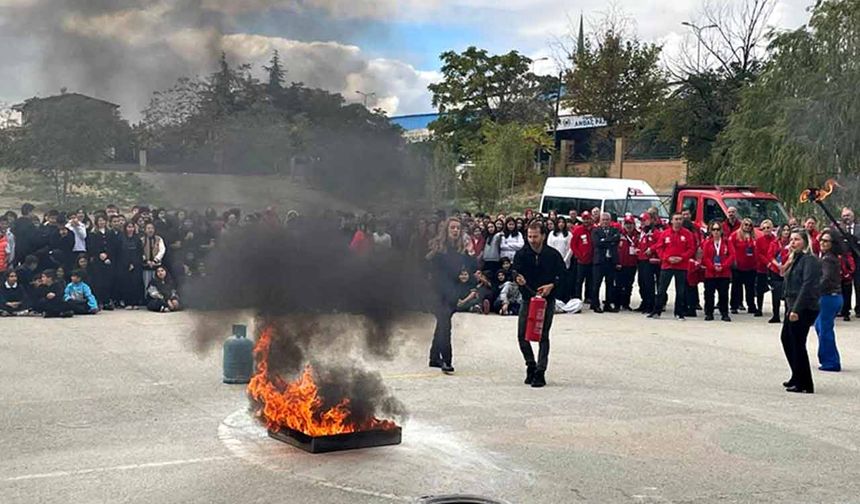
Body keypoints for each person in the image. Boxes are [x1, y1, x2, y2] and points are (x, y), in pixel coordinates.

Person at [513, 221, 565, 388]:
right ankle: (531, 364)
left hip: (546, 300)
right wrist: (517, 278)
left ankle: (541, 371)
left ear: (543, 236)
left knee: (543, 336)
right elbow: (514, 271)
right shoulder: (521, 254)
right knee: (522, 335)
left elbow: (563, 276)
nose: (532, 240)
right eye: (529, 236)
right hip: (528, 298)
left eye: (535, 236)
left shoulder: (553, 255)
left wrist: (552, 286)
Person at [426, 217, 475, 375]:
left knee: (442, 324)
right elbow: (429, 269)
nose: (455, 230)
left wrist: (465, 276)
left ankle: (434, 357)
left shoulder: (460, 250)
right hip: (437, 292)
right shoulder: (438, 250)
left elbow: (467, 269)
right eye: (452, 228)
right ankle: (447, 360)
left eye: (458, 228)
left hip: (452, 292)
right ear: (446, 230)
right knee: (445, 326)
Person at [781, 229, 820, 394]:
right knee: (786, 339)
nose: (793, 242)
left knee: (797, 342)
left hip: (803, 306)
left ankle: (805, 383)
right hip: (791, 304)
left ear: (805, 242)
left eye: (796, 239)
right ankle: (796, 374)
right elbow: (783, 274)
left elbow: (807, 285)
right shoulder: (795, 259)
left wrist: (796, 309)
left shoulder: (809, 260)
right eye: (791, 239)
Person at [650, 213, 695, 320]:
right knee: (661, 289)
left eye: (680, 219)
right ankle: (656, 311)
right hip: (667, 265)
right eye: (676, 219)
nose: (678, 221)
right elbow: (659, 248)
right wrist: (666, 258)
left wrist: (682, 258)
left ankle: (679, 312)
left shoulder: (687, 234)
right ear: (671, 221)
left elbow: (691, 249)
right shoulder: (665, 233)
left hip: (681, 266)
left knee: (680, 291)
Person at [814, 230, 843, 372]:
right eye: (821, 240)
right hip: (832, 297)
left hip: (829, 297)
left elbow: (825, 278)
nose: (822, 243)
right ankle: (828, 358)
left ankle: (831, 362)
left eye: (826, 241)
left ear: (833, 244)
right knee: (820, 326)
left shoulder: (828, 259)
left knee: (824, 329)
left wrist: (814, 291)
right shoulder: (827, 257)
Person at [701, 221, 735, 321]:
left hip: (724, 273)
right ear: (711, 231)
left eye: (718, 229)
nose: (716, 232)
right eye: (714, 229)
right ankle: (709, 313)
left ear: (721, 231)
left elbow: (732, 255)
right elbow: (705, 257)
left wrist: (723, 266)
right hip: (710, 273)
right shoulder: (707, 243)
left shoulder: (727, 242)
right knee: (709, 294)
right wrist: (712, 267)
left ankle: (724, 313)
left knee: (724, 294)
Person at [591, 212, 620, 313]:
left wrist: (605, 240)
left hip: (610, 261)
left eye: (607, 220)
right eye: (603, 220)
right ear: (600, 221)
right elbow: (597, 243)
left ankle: (607, 304)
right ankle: (595, 304)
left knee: (610, 284)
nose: (605, 222)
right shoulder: (596, 231)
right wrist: (609, 241)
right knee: (596, 284)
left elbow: (616, 239)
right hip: (599, 261)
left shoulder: (615, 230)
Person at [730, 218, 758, 315]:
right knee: (736, 287)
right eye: (746, 224)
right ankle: (734, 306)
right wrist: (733, 261)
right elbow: (731, 249)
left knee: (750, 288)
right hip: (738, 266)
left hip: (751, 266)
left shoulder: (754, 236)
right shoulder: (735, 235)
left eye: (750, 225)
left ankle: (751, 305)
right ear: (742, 225)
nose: (748, 227)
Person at [837, 207, 860, 319]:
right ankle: (845, 309)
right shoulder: (838, 229)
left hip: (858, 260)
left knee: (859, 284)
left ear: (853, 216)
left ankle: (859, 308)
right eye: (844, 215)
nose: (846, 218)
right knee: (845, 286)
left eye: (848, 215)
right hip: (844, 261)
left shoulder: (859, 228)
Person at [766, 225, 792, 323]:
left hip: (788, 270)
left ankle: (787, 315)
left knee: (787, 294)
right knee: (775, 293)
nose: (786, 232)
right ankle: (775, 315)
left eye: (787, 230)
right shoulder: (774, 243)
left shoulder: (791, 244)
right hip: (775, 270)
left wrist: (785, 266)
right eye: (784, 230)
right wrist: (778, 266)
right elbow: (770, 255)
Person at [636, 213, 661, 313]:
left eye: (644, 220)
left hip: (649, 261)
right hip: (641, 259)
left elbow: (660, 243)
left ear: (650, 220)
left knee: (649, 284)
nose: (642, 222)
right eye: (641, 220)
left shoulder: (655, 232)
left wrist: (652, 249)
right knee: (641, 283)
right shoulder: (642, 232)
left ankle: (650, 305)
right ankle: (644, 302)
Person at [116, 222, 144, 308]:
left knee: (135, 283)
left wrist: (134, 263)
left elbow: (140, 252)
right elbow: (119, 253)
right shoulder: (120, 238)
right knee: (126, 284)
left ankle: (135, 302)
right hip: (123, 265)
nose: (130, 229)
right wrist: (127, 263)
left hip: (136, 265)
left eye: (132, 227)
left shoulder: (137, 239)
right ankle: (127, 302)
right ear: (125, 228)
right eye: (128, 227)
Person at [614, 216, 639, 311]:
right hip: (620, 264)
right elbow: (615, 250)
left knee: (629, 285)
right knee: (618, 285)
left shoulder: (638, 235)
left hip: (632, 264)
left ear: (634, 224)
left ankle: (626, 304)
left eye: (631, 224)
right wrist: (616, 262)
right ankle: (617, 304)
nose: (629, 226)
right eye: (627, 224)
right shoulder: (618, 234)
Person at [570, 211, 595, 303]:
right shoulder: (578, 230)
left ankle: (588, 297)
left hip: (592, 260)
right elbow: (573, 245)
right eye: (584, 219)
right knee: (579, 280)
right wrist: (579, 255)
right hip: (581, 260)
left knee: (590, 280)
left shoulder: (595, 230)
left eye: (588, 218)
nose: (586, 221)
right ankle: (577, 297)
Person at [754, 220, 776, 317]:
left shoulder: (775, 240)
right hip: (762, 268)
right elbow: (759, 254)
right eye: (764, 228)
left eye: (768, 227)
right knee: (760, 289)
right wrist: (767, 263)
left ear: (772, 228)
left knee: (775, 289)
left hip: (774, 267)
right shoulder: (759, 241)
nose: (766, 230)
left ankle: (775, 310)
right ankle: (759, 308)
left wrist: (772, 263)